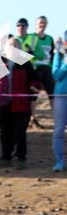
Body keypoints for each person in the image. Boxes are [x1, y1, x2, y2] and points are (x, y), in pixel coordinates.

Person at [0, 37, 41, 170]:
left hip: (21, 104)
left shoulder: (25, 63)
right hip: (3, 104)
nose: (13, 46)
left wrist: (34, 87)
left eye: (16, 44)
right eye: (10, 44)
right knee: (5, 131)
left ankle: (21, 158)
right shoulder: (1, 62)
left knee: (20, 132)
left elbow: (35, 80)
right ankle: (6, 157)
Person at [53, 37, 66, 172]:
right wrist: (65, 64)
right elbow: (56, 76)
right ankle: (59, 161)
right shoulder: (59, 55)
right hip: (61, 97)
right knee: (59, 130)